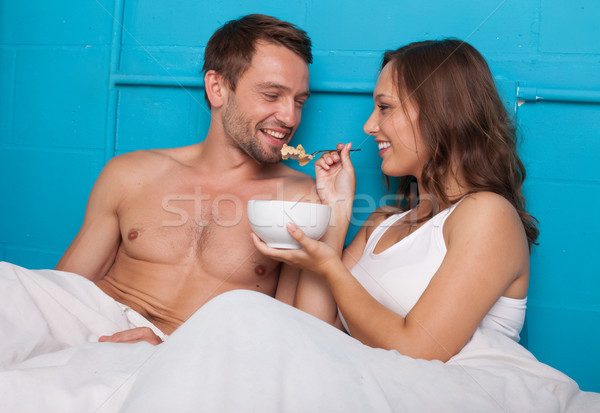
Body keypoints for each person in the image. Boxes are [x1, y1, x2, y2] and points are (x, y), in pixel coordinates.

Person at [0, 14, 317, 364]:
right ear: (217, 88)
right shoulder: (131, 174)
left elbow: (291, 335)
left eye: (299, 101)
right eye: (272, 95)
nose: (290, 117)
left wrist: (171, 353)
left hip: (198, 362)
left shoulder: (301, 201)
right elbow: (59, 295)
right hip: (98, 336)